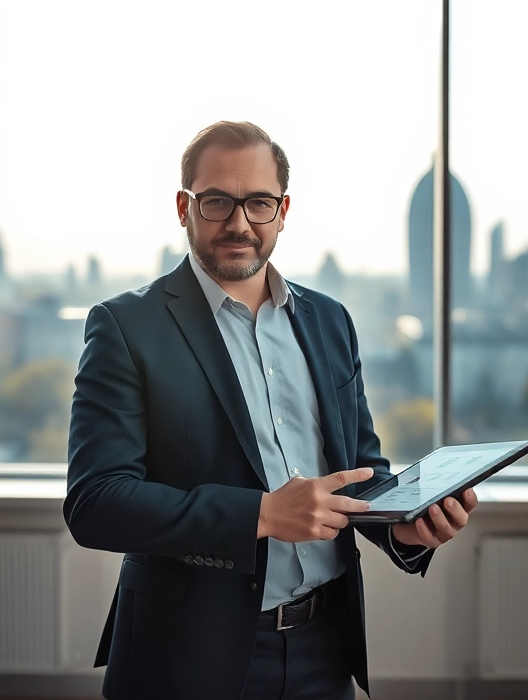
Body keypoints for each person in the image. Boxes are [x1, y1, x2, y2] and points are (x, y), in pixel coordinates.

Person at [64, 121, 478, 700]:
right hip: (187, 657)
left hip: (326, 649)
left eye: (258, 203)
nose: (239, 223)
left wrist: (403, 528)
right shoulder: (126, 328)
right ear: (183, 208)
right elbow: (96, 503)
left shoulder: (329, 321)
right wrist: (259, 514)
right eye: (216, 202)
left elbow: (360, 470)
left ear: (283, 210)